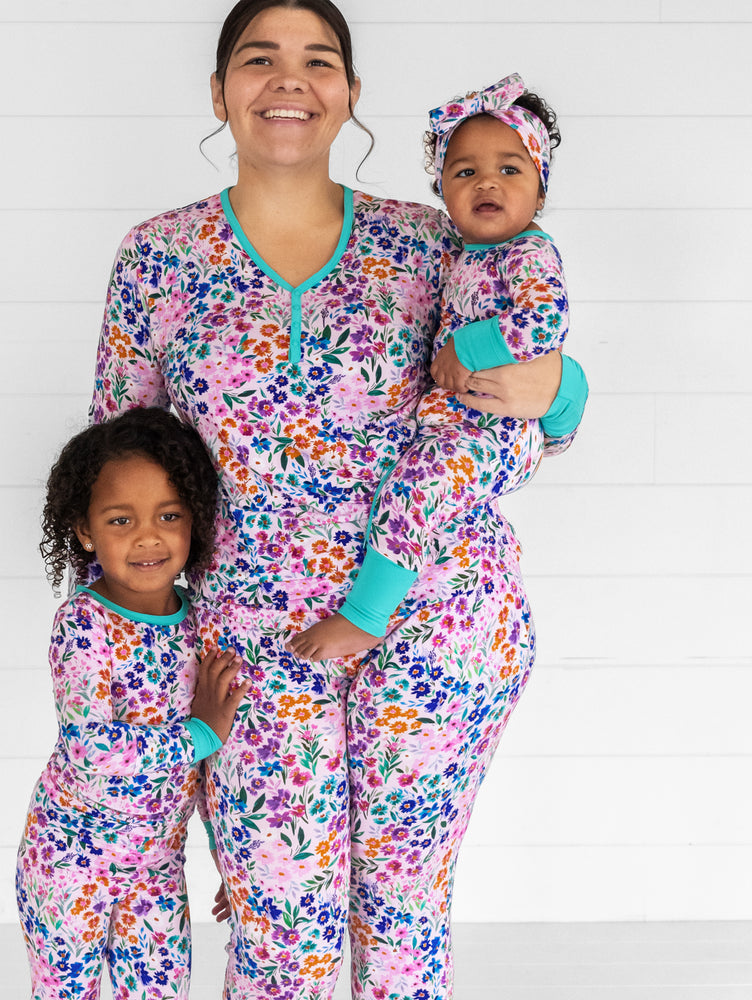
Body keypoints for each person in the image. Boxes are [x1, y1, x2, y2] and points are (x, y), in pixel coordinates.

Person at [90, 2, 588, 996]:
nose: (288, 79)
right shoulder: (158, 257)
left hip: (436, 621)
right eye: (258, 58)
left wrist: (563, 386)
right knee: (282, 924)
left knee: (401, 916)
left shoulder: (431, 239)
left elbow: (529, 408)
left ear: (350, 94)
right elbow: (123, 475)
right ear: (220, 91)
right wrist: (144, 674)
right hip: (250, 644)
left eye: (317, 61)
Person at [287, 72, 586, 661]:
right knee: (409, 491)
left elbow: (546, 325)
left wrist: (468, 354)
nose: (487, 184)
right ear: (443, 190)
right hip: (463, 424)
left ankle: (367, 616)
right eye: (465, 171)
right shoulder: (459, 252)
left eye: (510, 169)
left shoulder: (529, 251)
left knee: (413, 493)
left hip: (492, 428)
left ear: (541, 191)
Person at [15, 407, 250, 1000]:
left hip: (156, 869)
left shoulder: (199, 623)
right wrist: (201, 730)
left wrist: (230, 859)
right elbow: (92, 748)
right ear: (85, 530)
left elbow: (207, 774)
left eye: (169, 515)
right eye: (121, 520)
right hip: (70, 859)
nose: (149, 537)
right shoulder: (83, 626)